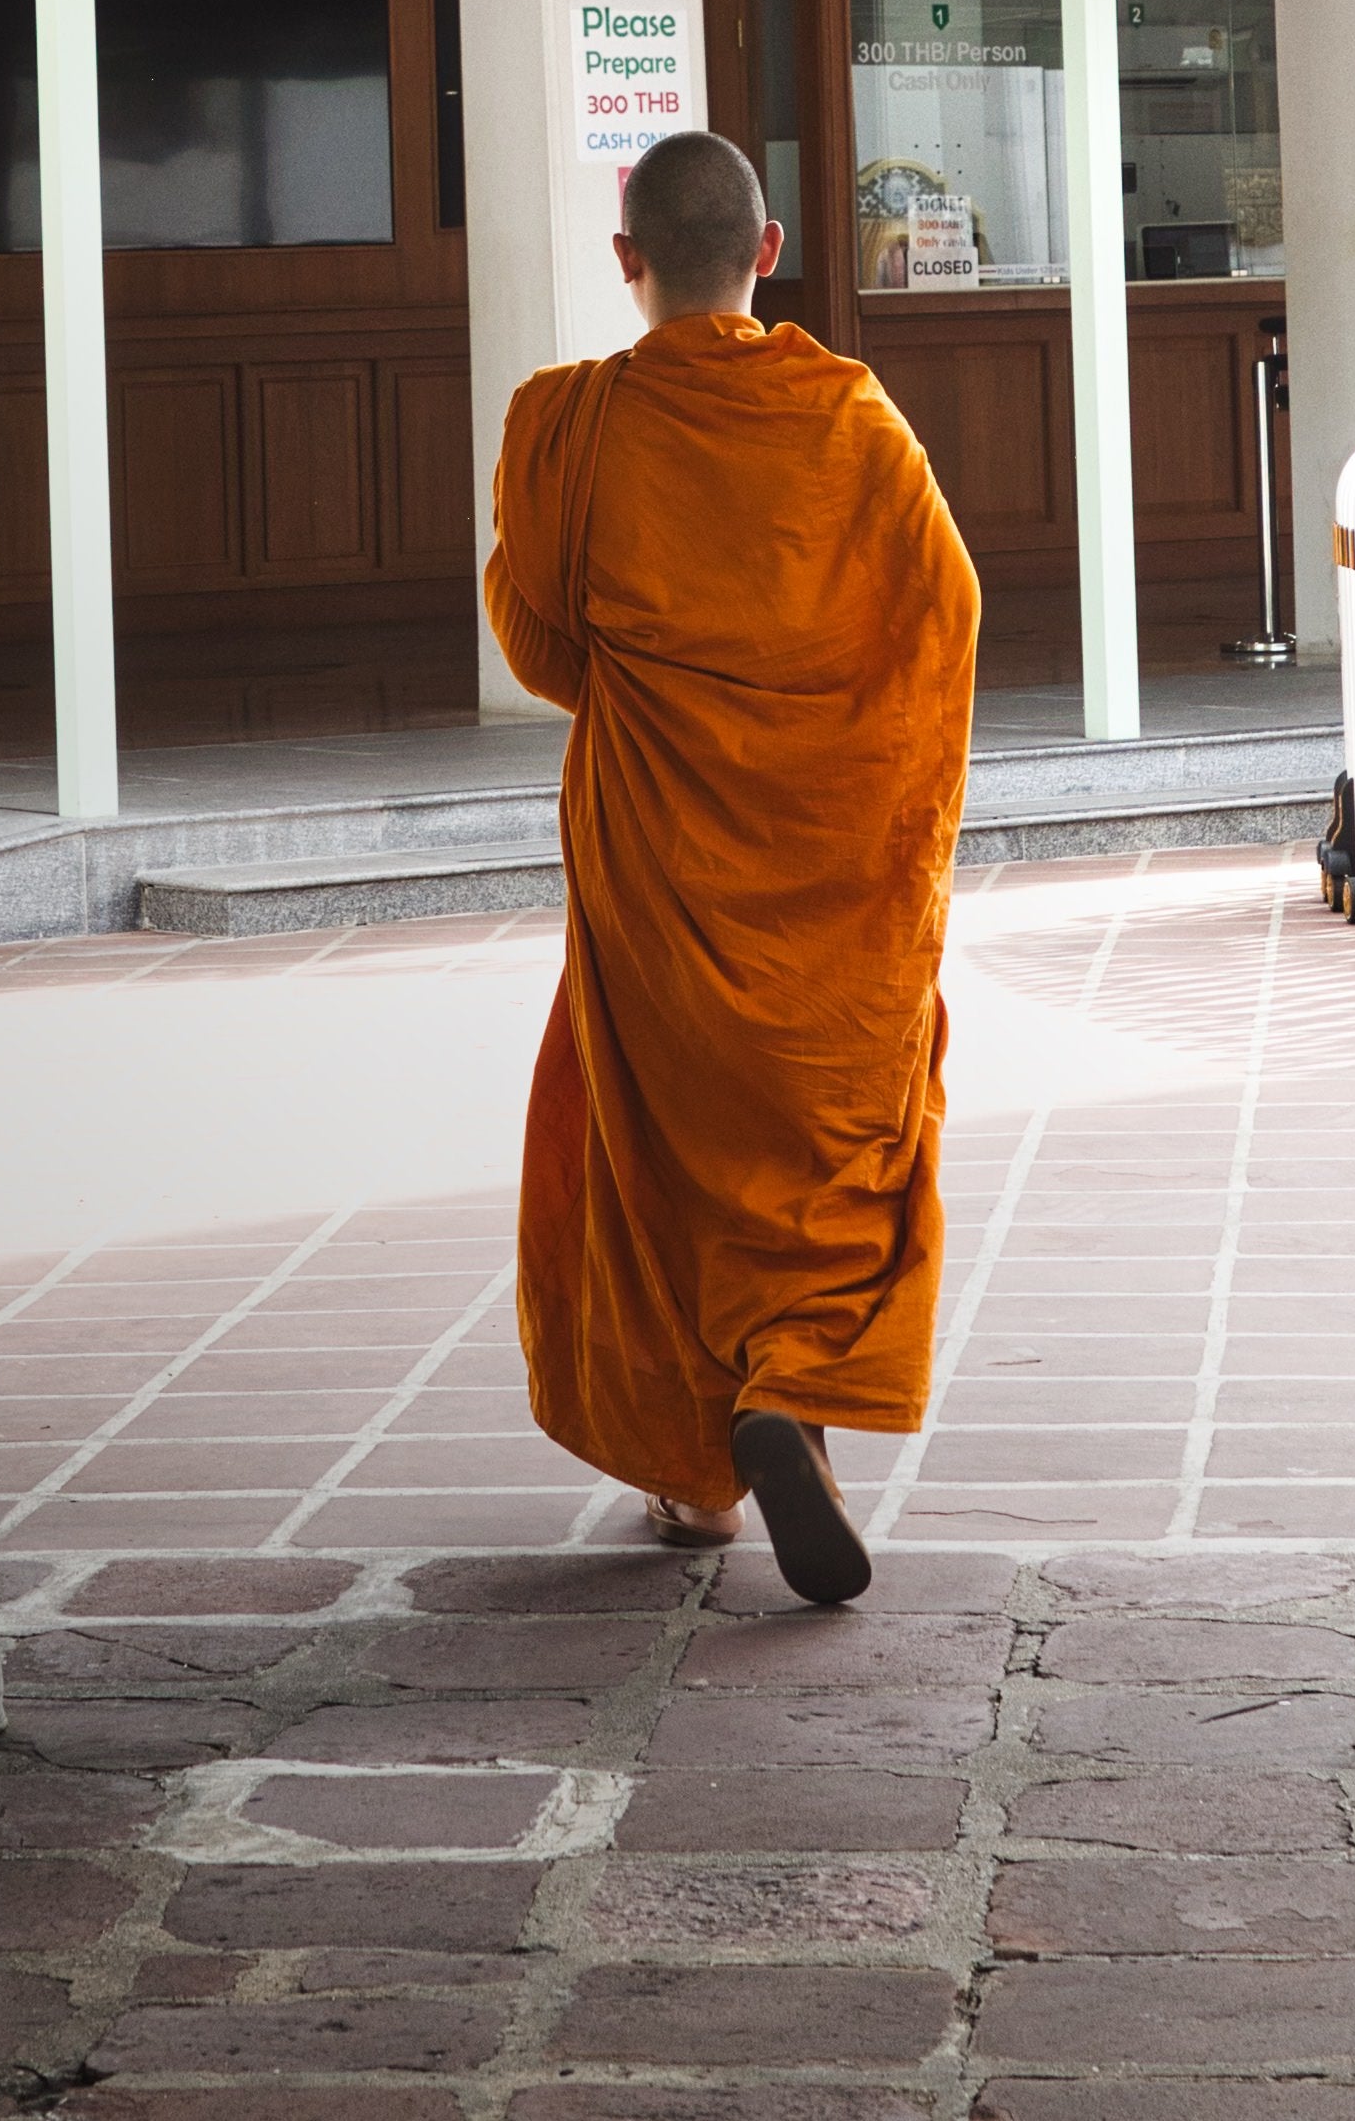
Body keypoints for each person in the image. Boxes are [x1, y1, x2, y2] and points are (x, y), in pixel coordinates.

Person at [488, 129, 979, 1607]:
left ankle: (696, 1478)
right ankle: (793, 1385)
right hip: (834, 867)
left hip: (657, 857)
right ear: (769, 254)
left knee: (660, 1149)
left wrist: (664, 705)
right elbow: (938, 618)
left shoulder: (564, 423)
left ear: (625, 260)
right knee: (829, 1131)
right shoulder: (855, 421)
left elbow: (538, 645)